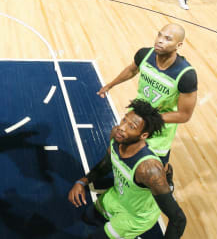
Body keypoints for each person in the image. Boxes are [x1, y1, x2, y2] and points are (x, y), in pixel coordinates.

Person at [97, 24, 197, 192]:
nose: (159, 41)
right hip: (137, 121)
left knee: (156, 164)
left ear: (179, 45)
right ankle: (119, 178)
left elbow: (184, 115)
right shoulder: (145, 54)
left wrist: (151, 120)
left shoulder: (186, 75)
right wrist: (110, 85)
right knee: (121, 147)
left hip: (160, 128)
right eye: (159, 35)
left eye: (167, 39)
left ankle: (167, 174)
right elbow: (131, 70)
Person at [68, 99, 187, 239]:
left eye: (131, 126)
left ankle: (168, 185)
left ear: (143, 136)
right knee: (88, 217)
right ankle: (167, 184)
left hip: (135, 216)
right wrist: (82, 182)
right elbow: (106, 164)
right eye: (124, 119)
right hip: (119, 196)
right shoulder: (116, 135)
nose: (122, 127)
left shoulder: (149, 169)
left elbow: (179, 219)